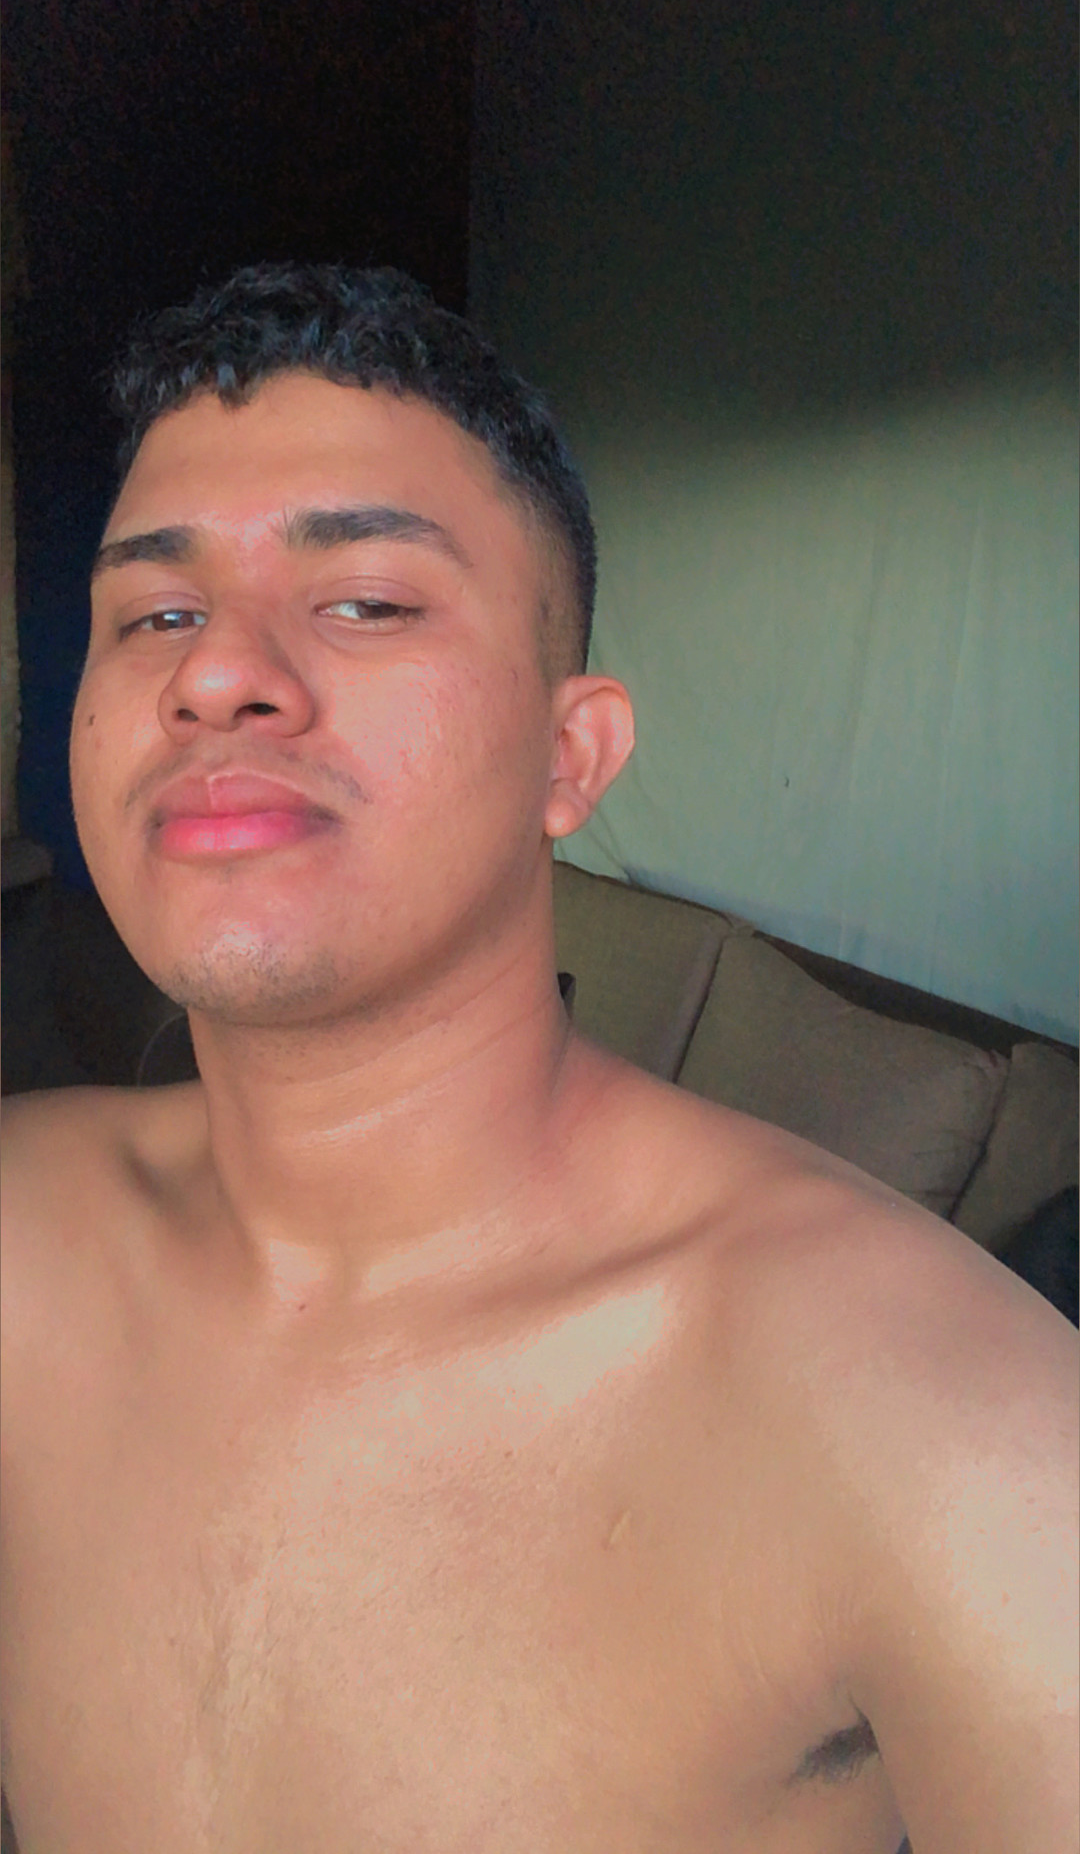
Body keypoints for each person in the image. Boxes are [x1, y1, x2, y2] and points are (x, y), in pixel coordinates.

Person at [1, 265, 1075, 1854]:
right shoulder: (23, 1231)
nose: (212, 674)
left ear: (570, 758)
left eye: (367, 600)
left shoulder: (939, 1417)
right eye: (155, 613)